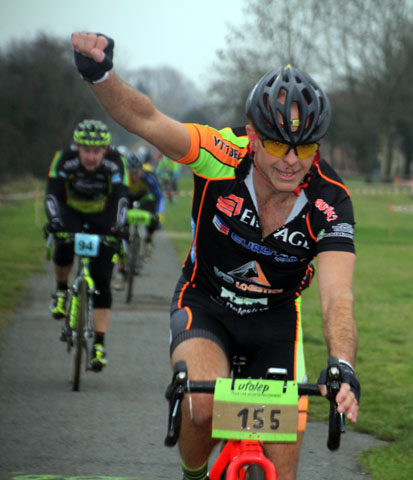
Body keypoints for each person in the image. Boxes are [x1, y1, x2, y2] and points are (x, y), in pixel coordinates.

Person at [70, 32, 360, 480]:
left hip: (275, 320)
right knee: (203, 404)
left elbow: (338, 295)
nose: (292, 160)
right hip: (206, 304)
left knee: (284, 462)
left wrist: (342, 363)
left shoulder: (331, 200)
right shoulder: (220, 154)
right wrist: (100, 74)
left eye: (304, 147)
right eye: (279, 144)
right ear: (253, 138)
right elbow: (145, 119)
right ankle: (194, 474)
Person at [45, 118, 129, 371]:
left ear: (105, 150)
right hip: (71, 211)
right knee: (63, 245)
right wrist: (56, 221)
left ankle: (100, 345)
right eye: (86, 151)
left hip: (103, 215)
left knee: (102, 278)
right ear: (77, 147)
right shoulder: (63, 158)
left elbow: (121, 199)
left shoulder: (116, 161)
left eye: (96, 151)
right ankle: (61, 290)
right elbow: (52, 194)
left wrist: (119, 227)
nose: (91, 157)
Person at [112, 152, 164, 290]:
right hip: (126, 199)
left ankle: (148, 241)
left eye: (137, 173)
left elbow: (159, 197)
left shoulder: (149, 178)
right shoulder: (122, 177)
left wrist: (159, 214)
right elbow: (114, 198)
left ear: (142, 170)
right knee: (120, 231)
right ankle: (121, 271)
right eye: (131, 173)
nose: (134, 176)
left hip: (143, 200)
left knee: (153, 214)